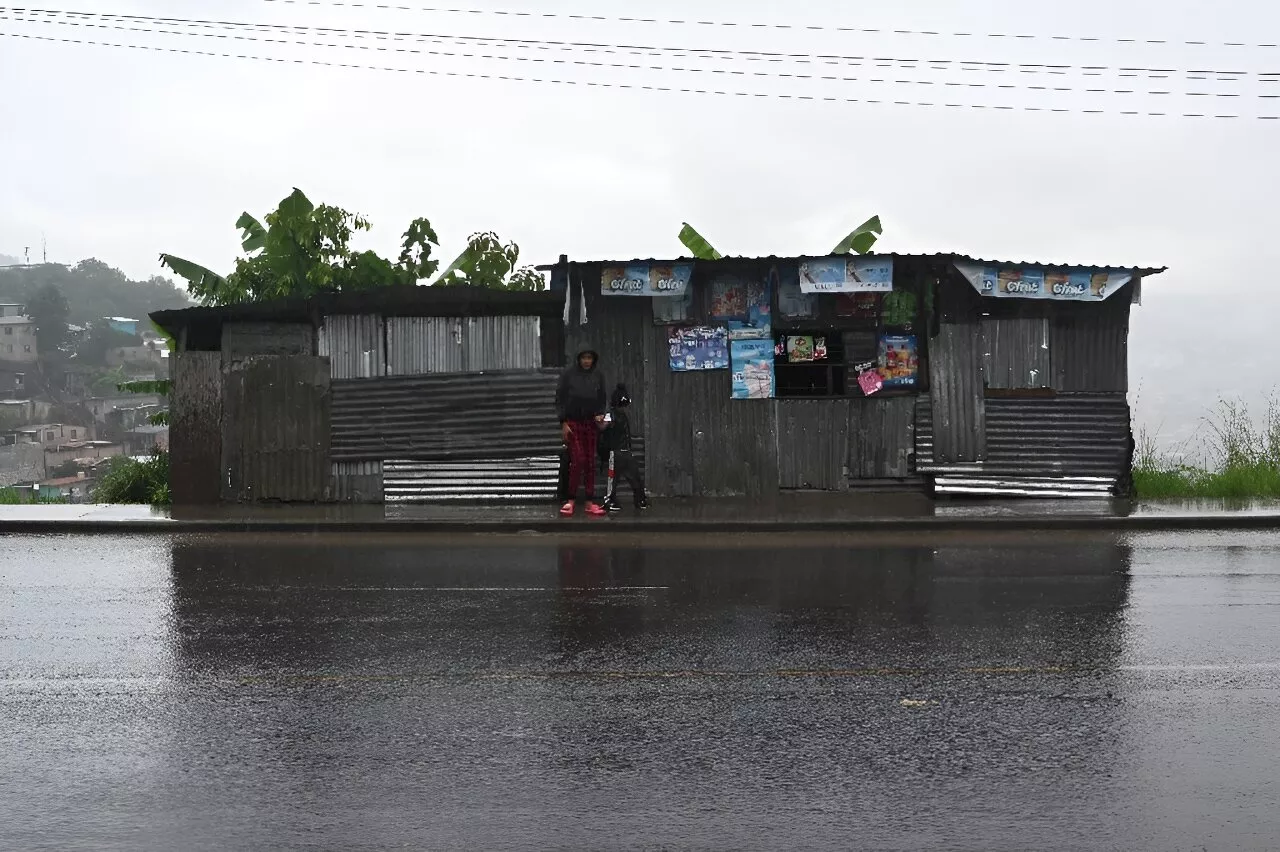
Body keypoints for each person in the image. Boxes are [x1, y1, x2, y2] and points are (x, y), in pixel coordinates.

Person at [556, 346, 607, 516]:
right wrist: (563, 422)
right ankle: (570, 501)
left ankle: (589, 503)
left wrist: (600, 414)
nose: (586, 361)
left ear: (593, 359)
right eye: (584, 357)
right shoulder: (568, 375)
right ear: (578, 359)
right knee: (577, 461)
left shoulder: (598, 376)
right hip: (573, 424)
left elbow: (602, 398)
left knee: (591, 462)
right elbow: (560, 399)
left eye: (589, 358)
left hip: (591, 424)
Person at [601, 383, 649, 513]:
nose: (624, 408)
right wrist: (601, 421)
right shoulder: (611, 415)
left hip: (626, 451)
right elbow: (602, 427)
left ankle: (640, 499)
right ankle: (610, 500)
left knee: (635, 477)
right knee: (613, 478)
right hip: (616, 452)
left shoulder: (622, 416)